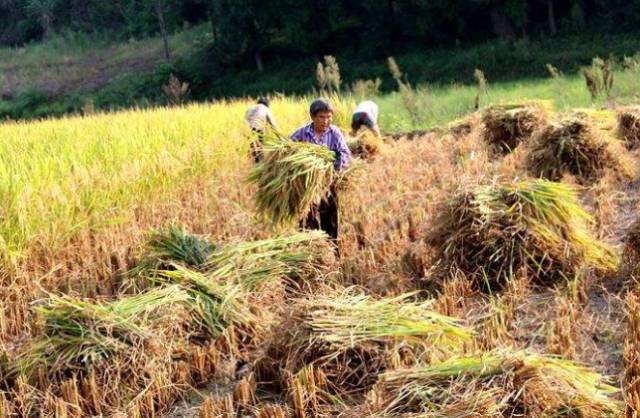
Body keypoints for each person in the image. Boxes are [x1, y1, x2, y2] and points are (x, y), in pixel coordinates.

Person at [291, 98, 352, 249]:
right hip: (307, 184)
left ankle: (332, 250)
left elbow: (345, 153)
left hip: (328, 182)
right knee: (307, 218)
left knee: (329, 218)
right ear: (312, 117)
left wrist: (335, 168)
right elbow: (288, 150)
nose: (326, 121)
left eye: (329, 117)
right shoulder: (302, 133)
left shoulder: (335, 133)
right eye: (321, 117)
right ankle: (312, 250)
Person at [245, 97, 277, 162]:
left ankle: (255, 162)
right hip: (258, 127)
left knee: (253, 145)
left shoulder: (250, 108)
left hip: (246, 129)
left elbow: (246, 119)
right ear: (267, 103)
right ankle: (261, 163)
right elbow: (273, 124)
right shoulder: (266, 108)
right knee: (260, 146)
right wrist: (281, 139)